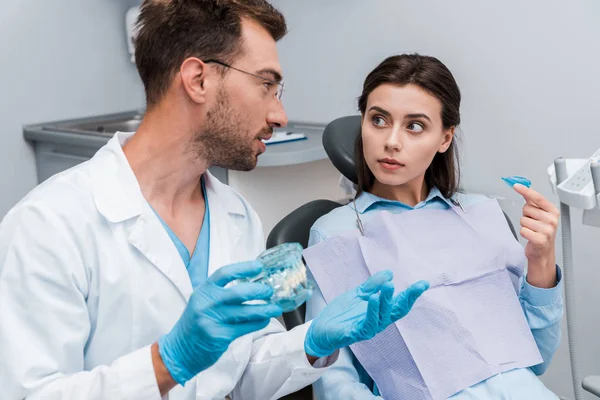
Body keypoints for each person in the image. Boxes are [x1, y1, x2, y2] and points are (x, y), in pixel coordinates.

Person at [0, 2, 428, 400]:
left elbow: (241, 375)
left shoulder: (236, 216)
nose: (279, 115)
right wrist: (164, 363)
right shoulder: (48, 225)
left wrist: (312, 342)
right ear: (198, 79)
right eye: (267, 85)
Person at [305, 54, 563, 399]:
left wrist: (541, 260)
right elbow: (334, 383)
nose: (392, 141)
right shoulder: (335, 234)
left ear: (444, 138)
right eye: (378, 119)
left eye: (414, 126)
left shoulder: (479, 214)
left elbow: (536, 358)